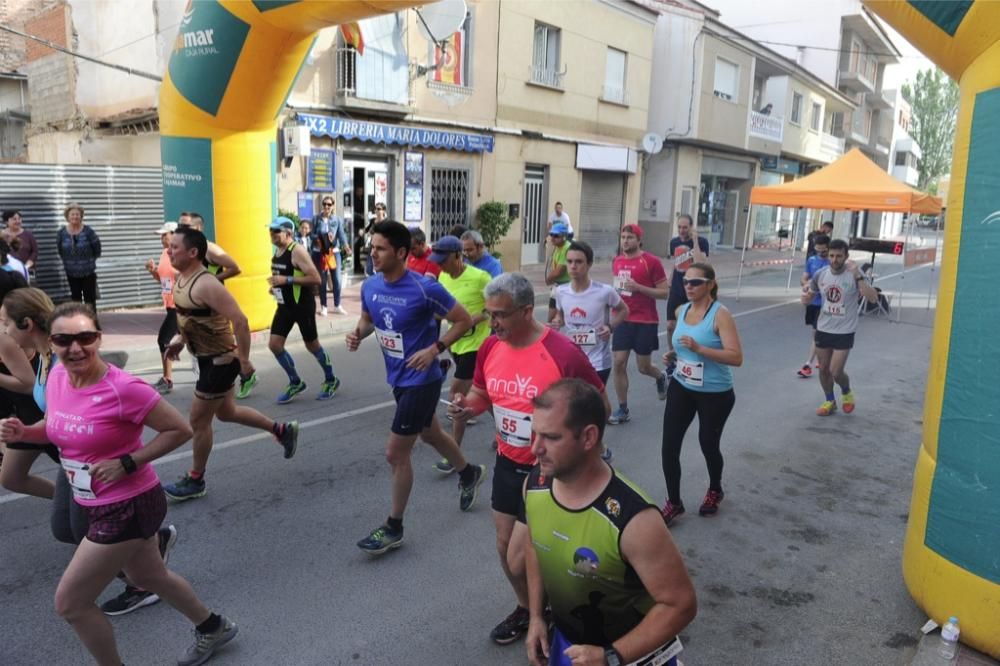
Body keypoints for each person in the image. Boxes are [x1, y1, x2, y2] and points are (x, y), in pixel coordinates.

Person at [0, 302, 238, 666]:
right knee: (150, 575)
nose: (75, 347)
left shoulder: (124, 389)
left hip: (129, 503)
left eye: (85, 337)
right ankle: (213, 626)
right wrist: (25, 432)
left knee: (71, 604)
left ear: (98, 338)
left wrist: (128, 462)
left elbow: (180, 429)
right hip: (90, 498)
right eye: (64, 339)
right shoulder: (60, 377)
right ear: (52, 342)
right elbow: (55, 426)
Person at [447, 272, 608, 647]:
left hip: (548, 469)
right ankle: (529, 609)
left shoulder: (562, 353)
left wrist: (580, 456)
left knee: (524, 556)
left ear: (526, 310)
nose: (493, 323)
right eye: (488, 314)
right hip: (507, 461)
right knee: (505, 546)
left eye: (501, 315)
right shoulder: (490, 347)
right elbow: (480, 394)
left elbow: (599, 404)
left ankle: (556, 610)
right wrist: (466, 409)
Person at [524, 379, 697, 666]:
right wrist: (536, 617)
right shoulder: (535, 485)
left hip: (628, 655)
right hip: (569, 647)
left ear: (589, 437)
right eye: (534, 434)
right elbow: (535, 547)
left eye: (551, 438)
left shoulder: (635, 519)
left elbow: (681, 604)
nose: (534, 449)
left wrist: (612, 656)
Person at [345, 220, 486, 556]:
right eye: (372, 247)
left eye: (380, 249)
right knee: (431, 433)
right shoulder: (371, 286)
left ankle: (394, 527)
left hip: (422, 380)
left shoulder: (425, 288)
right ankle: (469, 473)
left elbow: (465, 319)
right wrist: (357, 333)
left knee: (396, 453)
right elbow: (368, 319)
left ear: (402, 252)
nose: (373, 254)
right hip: (397, 377)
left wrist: (435, 349)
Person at [161, 226, 299, 501]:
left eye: (175, 247)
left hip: (221, 361)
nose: (169, 250)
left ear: (193, 252)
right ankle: (282, 430)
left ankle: (195, 479)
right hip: (205, 356)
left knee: (199, 419)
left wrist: (245, 360)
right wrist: (179, 341)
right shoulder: (181, 280)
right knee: (226, 412)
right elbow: (190, 319)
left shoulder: (207, 284)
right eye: (169, 246)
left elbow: (241, 321)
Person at [661, 263, 743, 525]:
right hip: (682, 386)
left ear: (710, 284)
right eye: (686, 281)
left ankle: (715, 489)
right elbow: (684, 348)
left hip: (715, 393)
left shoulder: (721, 314)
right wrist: (674, 355)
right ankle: (674, 502)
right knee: (668, 447)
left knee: (708, 443)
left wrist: (699, 348)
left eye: (695, 282)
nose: (689, 286)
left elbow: (736, 357)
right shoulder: (681, 310)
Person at [427, 235, 492, 473]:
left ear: (458, 255)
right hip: (456, 344)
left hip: (478, 344)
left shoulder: (480, 277)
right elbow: (442, 308)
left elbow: (493, 304)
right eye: (437, 261)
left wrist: (473, 319)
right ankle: (507, 433)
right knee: (487, 394)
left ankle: (454, 456)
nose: (440, 265)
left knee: (456, 394)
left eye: (443, 260)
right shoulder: (443, 276)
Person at [265, 217, 341, 403]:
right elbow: (283, 276)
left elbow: (316, 279)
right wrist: (276, 287)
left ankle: (331, 379)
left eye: (276, 231)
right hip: (284, 306)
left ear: (288, 233)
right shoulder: (278, 251)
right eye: (270, 230)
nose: (272, 234)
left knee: (312, 345)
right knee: (275, 345)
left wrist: (287, 281)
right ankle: (295, 382)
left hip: (302, 306)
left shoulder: (297, 251)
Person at [801, 239, 878, 416]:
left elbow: (873, 298)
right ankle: (830, 401)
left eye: (839, 256)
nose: (834, 260)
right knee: (824, 369)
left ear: (846, 256)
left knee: (836, 372)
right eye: (832, 256)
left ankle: (846, 391)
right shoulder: (821, 274)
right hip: (824, 328)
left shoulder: (854, 274)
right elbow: (810, 296)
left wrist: (858, 276)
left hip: (844, 331)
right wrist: (805, 299)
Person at [609, 224, 670, 425]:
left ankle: (660, 376)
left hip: (645, 320)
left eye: (630, 237)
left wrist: (639, 288)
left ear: (639, 240)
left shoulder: (650, 262)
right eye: (623, 237)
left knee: (643, 367)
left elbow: (664, 293)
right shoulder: (616, 261)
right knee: (618, 363)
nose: (625, 241)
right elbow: (618, 290)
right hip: (623, 319)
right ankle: (623, 408)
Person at [552, 240, 628, 390]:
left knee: (592, 408)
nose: (573, 266)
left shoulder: (604, 291)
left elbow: (624, 310)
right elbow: (559, 315)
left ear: (589, 264)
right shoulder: (560, 291)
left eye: (579, 262)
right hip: (572, 360)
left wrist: (610, 327)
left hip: (597, 362)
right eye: (570, 261)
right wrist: (557, 320)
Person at [665, 214, 709, 376]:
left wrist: (695, 241)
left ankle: (692, 358)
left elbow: (699, 262)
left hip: (693, 290)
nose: (682, 231)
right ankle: (672, 356)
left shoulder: (702, 242)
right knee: (670, 325)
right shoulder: (674, 242)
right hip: (677, 287)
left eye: (685, 227)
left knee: (692, 325)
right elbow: (675, 263)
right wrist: (670, 279)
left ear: (691, 227)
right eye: (679, 227)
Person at [145, 222, 179, 394]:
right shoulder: (165, 253)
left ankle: (167, 379)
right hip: (170, 305)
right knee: (201, 344)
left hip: (180, 306)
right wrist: (153, 271)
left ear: (174, 234)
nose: (161, 238)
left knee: (163, 340)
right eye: (161, 235)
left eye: (164, 235)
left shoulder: (181, 254)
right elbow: (162, 279)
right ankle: (244, 371)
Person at [310, 196, 351, 316]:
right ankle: (324, 306)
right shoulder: (316, 219)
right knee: (322, 280)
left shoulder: (337, 219)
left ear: (333, 206)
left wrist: (346, 246)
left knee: (337, 279)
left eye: (329, 204)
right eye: (324, 204)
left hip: (334, 252)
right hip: (320, 252)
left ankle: (337, 305)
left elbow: (342, 234)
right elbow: (311, 235)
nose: (326, 207)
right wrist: (317, 239)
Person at [56, 202, 101, 308]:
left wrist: (88, 261)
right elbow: (60, 251)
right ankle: (78, 322)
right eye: (72, 214)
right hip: (71, 272)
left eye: (77, 214)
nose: (75, 216)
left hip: (88, 272)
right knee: (75, 299)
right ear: (67, 216)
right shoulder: (61, 233)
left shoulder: (88, 231)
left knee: (89, 298)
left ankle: (91, 321)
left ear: (81, 216)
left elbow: (97, 249)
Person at [797, 234, 830, 378]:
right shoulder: (812, 260)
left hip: (827, 304)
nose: (821, 254)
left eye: (823, 251)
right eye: (818, 251)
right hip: (813, 302)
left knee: (817, 334)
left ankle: (807, 365)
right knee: (816, 333)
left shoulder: (833, 261)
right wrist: (805, 285)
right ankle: (822, 356)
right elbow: (804, 277)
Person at [177, 212, 241, 282]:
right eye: (179, 226)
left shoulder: (209, 249)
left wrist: (211, 280)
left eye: (185, 226)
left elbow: (235, 269)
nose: (181, 230)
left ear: (198, 228)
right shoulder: (187, 249)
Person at [545, 222, 571, 323]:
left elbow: (559, 271)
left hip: (566, 286)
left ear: (564, 236)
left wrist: (548, 279)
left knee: (564, 319)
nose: (552, 238)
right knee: (551, 319)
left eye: (556, 236)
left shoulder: (567, 248)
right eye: (551, 235)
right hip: (557, 286)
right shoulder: (557, 247)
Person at [2, 210, 39, 276]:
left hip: (26, 270)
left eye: (19, 218)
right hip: (7, 272)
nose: (18, 221)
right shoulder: (2, 236)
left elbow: (35, 251)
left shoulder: (28, 235)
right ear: (6, 221)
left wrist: (28, 264)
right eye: (14, 219)